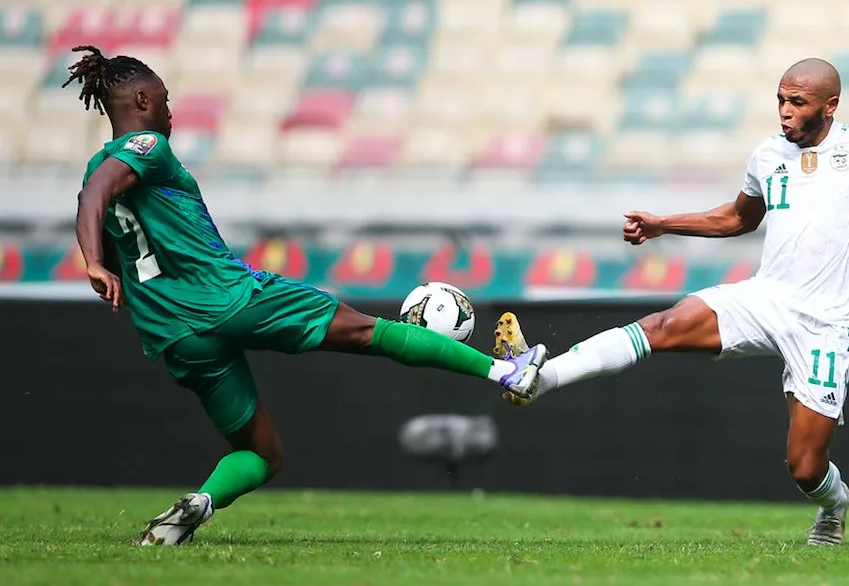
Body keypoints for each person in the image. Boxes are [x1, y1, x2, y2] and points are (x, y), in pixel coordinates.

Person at [492, 35, 849, 546]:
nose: (785, 111)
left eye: (797, 102)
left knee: (805, 467)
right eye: (780, 100)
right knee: (663, 325)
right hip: (765, 297)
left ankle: (834, 505)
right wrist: (663, 224)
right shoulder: (767, 156)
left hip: (825, 323)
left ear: (830, 105)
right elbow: (736, 218)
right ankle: (541, 378)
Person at [67, 45, 546, 546]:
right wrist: (95, 263)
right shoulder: (148, 147)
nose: (170, 111)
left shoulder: (97, 168)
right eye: (164, 100)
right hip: (226, 296)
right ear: (141, 98)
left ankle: (197, 507)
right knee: (367, 330)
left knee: (262, 453)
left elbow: (94, 199)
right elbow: (96, 192)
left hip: (173, 335)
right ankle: (506, 370)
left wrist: (101, 260)